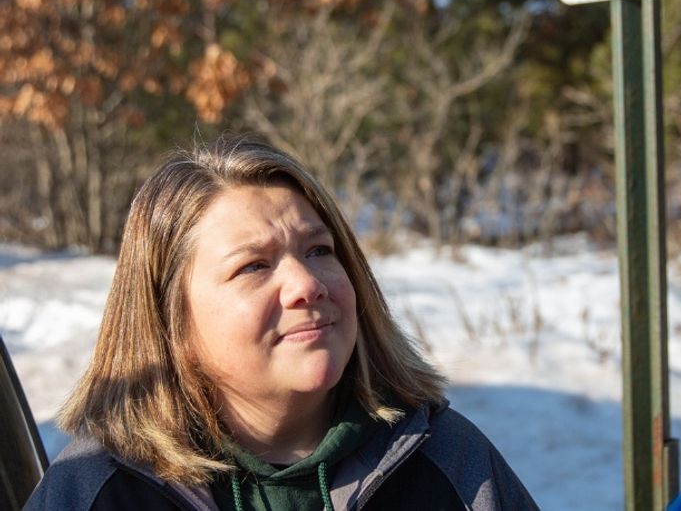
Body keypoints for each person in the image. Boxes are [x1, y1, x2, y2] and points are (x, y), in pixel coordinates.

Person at [23, 136, 538, 510]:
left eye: (319, 250)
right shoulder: (95, 491)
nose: (307, 284)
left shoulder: (448, 460)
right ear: (170, 320)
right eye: (253, 266)